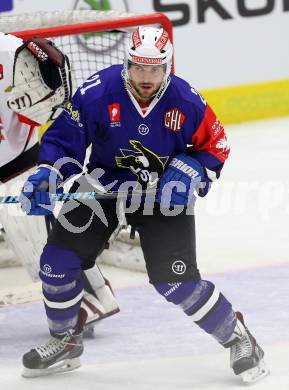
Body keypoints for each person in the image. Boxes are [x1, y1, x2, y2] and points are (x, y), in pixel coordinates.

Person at [19, 26, 269, 384]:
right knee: (56, 264)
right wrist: (49, 173)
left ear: (167, 67)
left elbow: (217, 146)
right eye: (139, 67)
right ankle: (65, 341)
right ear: (127, 63)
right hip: (102, 186)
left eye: (154, 68)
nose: (146, 77)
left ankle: (239, 338)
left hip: (160, 196)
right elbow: (62, 142)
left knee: (175, 282)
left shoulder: (186, 101)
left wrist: (194, 168)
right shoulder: (97, 92)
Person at [0, 32, 119, 331]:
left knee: (31, 231)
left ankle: (87, 297)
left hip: (16, 159)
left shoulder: (10, 51)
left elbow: (53, 100)